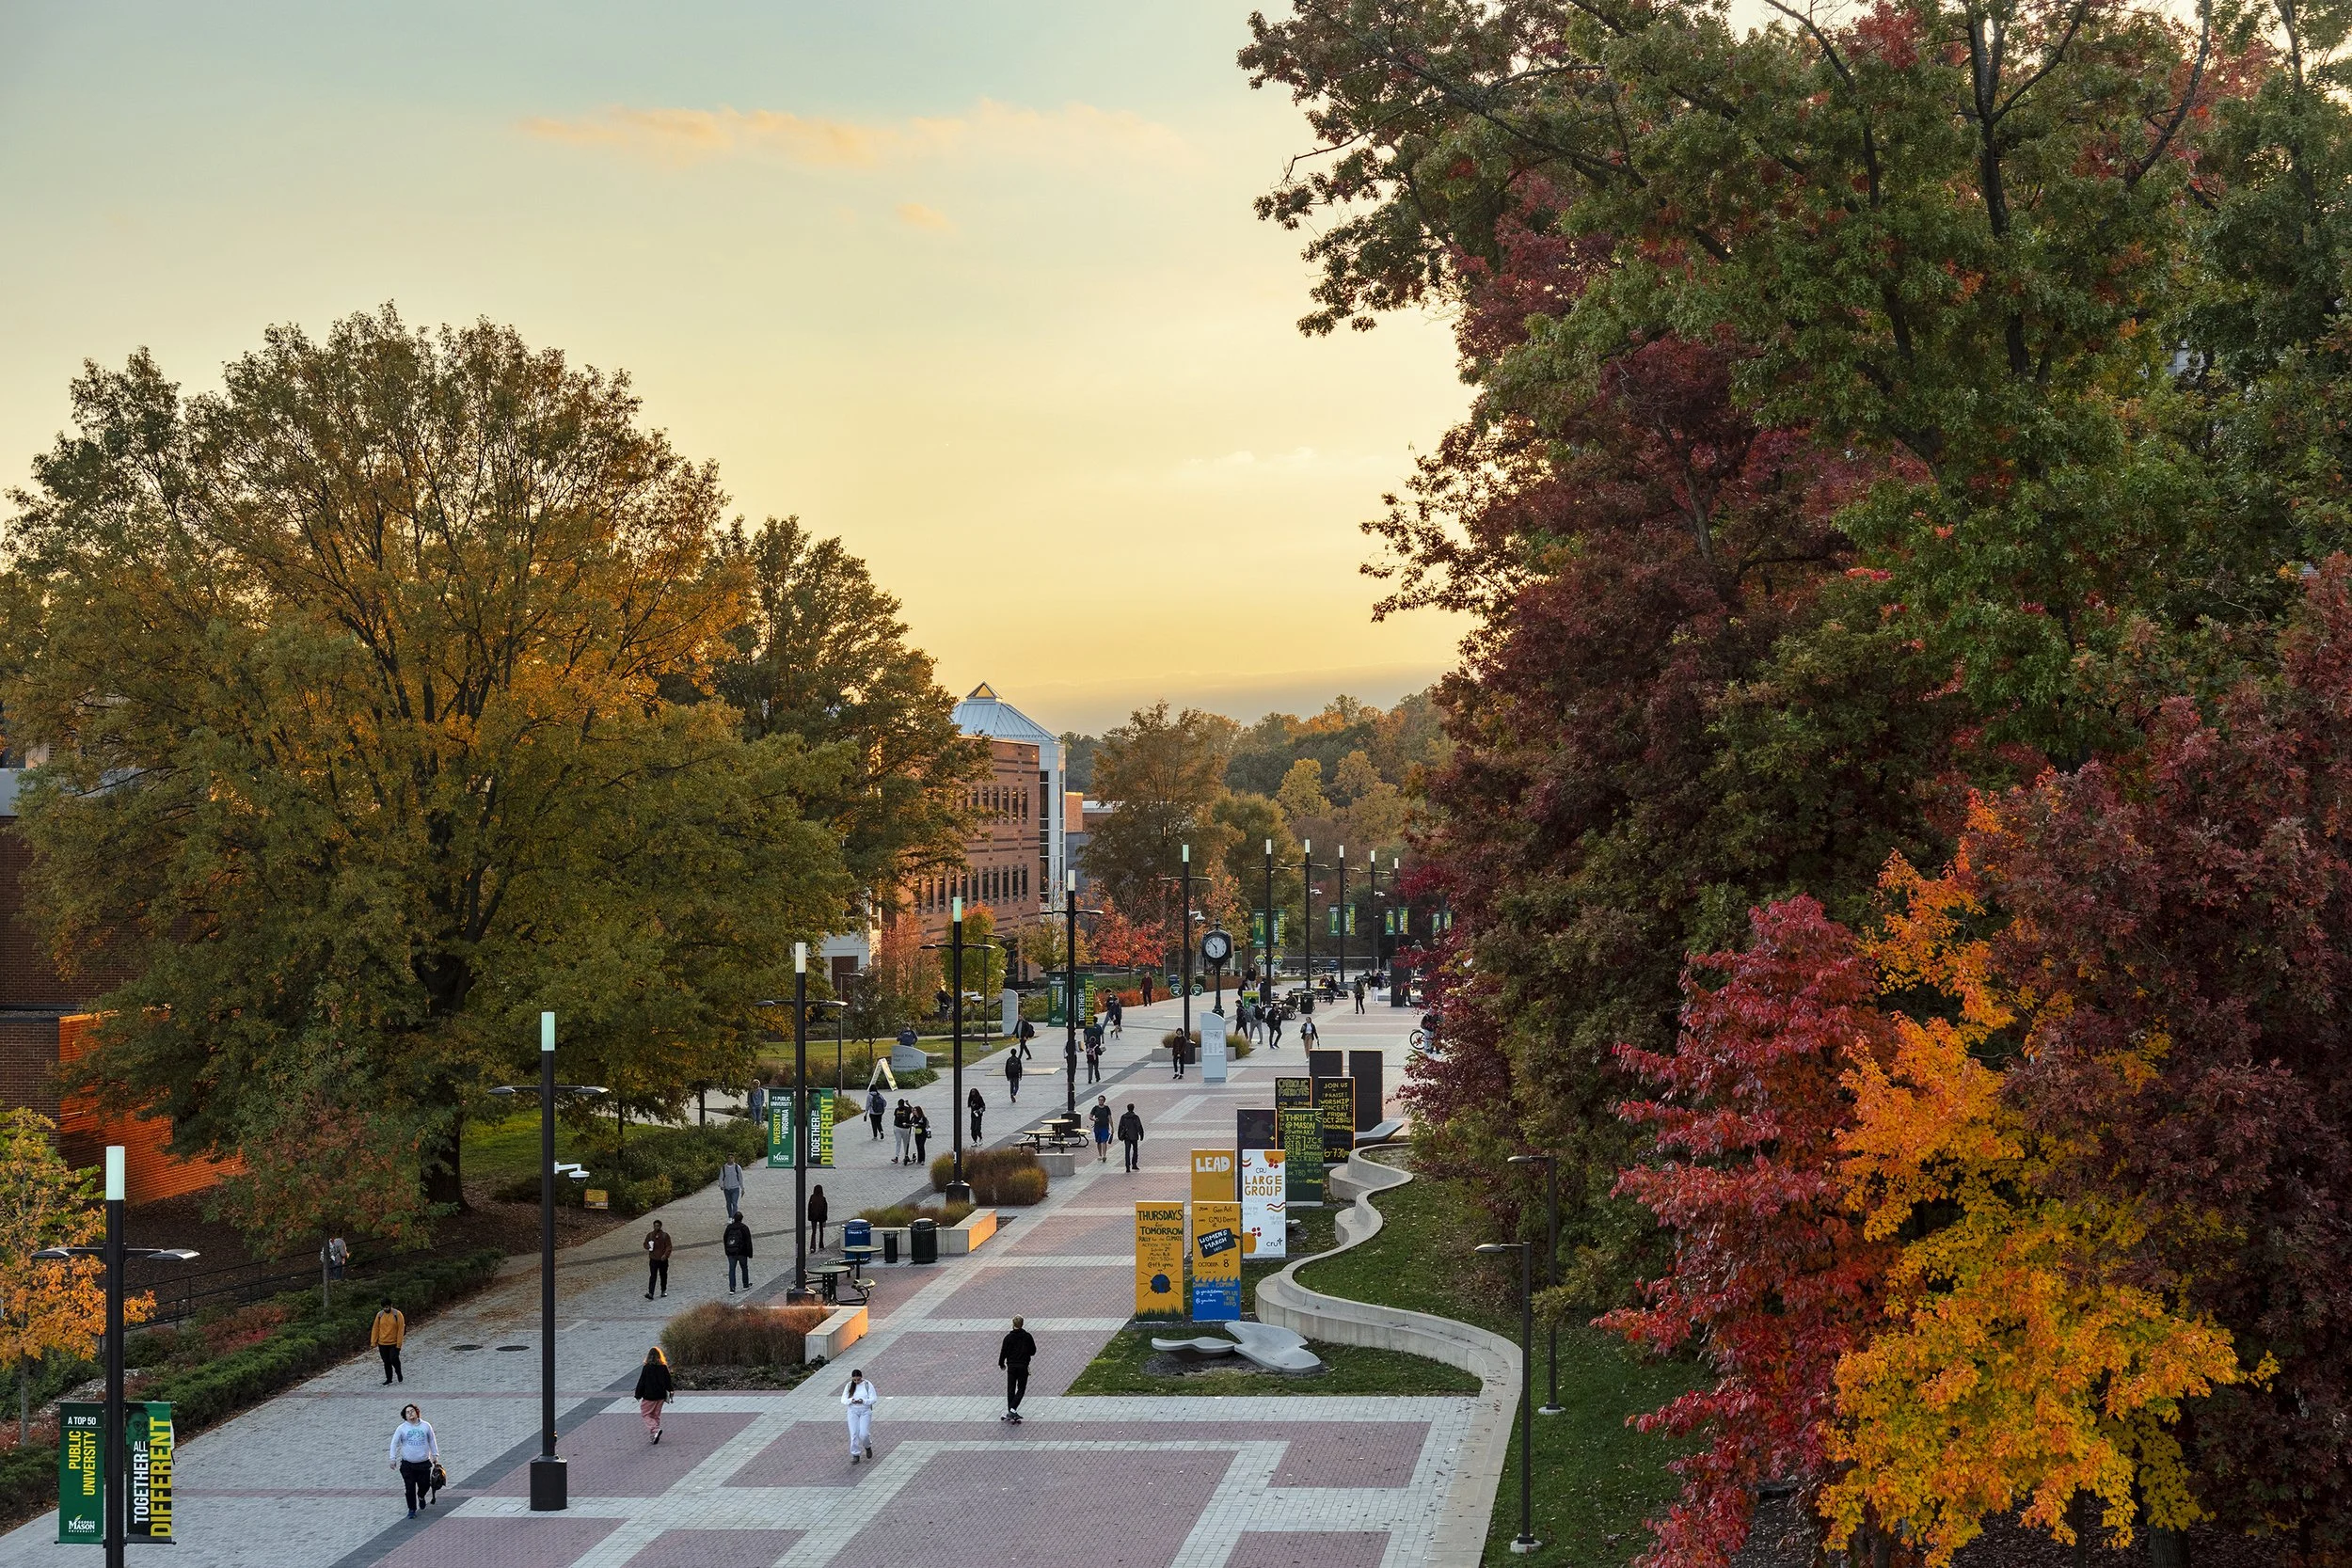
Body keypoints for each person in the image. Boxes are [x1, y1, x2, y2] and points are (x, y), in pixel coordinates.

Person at [388, 1402, 438, 1518]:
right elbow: (394, 1443)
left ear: (417, 1412)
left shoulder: (426, 1426)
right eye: (408, 1412)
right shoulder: (401, 1429)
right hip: (408, 1464)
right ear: (405, 1416)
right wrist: (392, 1458)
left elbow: (432, 1440)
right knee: (409, 1487)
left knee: (425, 1485)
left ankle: (421, 1496)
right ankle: (412, 1509)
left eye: (412, 1411)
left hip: (424, 1463)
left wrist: (435, 1454)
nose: (410, 1413)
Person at [998, 1315, 1037, 1423]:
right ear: (1022, 1324)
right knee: (1021, 1389)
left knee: (1011, 1389)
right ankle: (1013, 1409)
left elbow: (1003, 1352)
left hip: (1011, 1366)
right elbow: (1033, 1351)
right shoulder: (1027, 1337)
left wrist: (1001, 1363)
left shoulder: (1008, 1338)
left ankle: (1011, 1410)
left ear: (1013, 1324)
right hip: (1023, 1366)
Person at [634, 1346, 673, 1444]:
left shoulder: (647, 1368)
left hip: (649, 1396)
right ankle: (655, 1434)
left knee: (646, 1413)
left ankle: (655, 1430)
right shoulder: (663, 1367)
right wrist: (671, 1391)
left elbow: (642, 1381)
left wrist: (638, 1394)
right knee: (656, 1414)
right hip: (661, 1395)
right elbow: (668, 1381)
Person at [842, 1368, 877, 1464]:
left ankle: (867, 1446)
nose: (856, 1381)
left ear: (861, 1377)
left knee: (864, 1433)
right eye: (854, 1380)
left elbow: (874, 1399)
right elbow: (843, 1399)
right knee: (854, 1434)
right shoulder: (849, 1386)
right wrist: (851, 1400)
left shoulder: (867, 1385)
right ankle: (855, 1454)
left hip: (865, 1411)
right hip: (853, 1411)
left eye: (858, 1379)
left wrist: (864, 1401)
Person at [370, 1299, 406, 1385]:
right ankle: (389, 1378)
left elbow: (401, 1329)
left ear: (390, 1305)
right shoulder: (379, 1315)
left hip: (394, 1342)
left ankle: (398, 1372)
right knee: (386, 1361)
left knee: (394, 1359)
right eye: (383, 1307)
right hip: (382, 1343)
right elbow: (375, 1328)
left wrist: (399, 1344)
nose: (385, 1309)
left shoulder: (397, 1314)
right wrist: (373, 1342)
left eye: (387, 1307)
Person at [723, 1211, 755, 1292]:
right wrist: (750, 1253)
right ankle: (745, 1285)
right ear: (742, 1219)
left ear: (734, 1219)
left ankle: (732, 1288)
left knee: (732, 1270)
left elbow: (725, 1239)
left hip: (731, 1252)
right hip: (742, 1252)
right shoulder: (744, 1228)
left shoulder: (729, 1228)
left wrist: (727, 1251)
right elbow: (748, 1242)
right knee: (744, 1268)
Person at [644, 1218, 672, 1299]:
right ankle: (651, 1293)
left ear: (660, 1226)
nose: (656, 1227)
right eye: (655, 1226)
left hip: (663, 1259)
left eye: (658, 1226)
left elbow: (669, 1246)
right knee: (653, 1276)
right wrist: (648, 1246)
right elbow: (645, 1244)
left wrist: (665, 1255)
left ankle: (663, 1290)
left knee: (663, 1275)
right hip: (653, 1259)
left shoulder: (665, 1236)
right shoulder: (650, 1235)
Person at [1117, 1102, 1145, 1172]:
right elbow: (1139, 1126)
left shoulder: (1124, 1117)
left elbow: (1120, 1126)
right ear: (1133, 1108)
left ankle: (1127, 1166)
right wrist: (1141, 1135)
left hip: (1127, 1136)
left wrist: (1120, 1136)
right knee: (1135, 1150)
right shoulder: (1135, 1117)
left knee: (1127, 1151)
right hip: (1134, 1136)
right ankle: (1134, 1164)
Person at [719, 1155, 745, 1220]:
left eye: (732, 1158)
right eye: (729, 1158)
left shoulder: (737, 1167)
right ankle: (730, 1216)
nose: (730, 1159)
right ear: (727, 1159)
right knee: (728, 1203)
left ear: (734, 1159)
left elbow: (740, 1178)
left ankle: (734, 1217)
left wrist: (742, 1188)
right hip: (727, 1189)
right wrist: (721, 1185)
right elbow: (721, 1177)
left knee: (734, 1202)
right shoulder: (723, 1168)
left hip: (735, 1188)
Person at [1090, 1095, 1112, 1164]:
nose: (1100, 1101)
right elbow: (1090, 1117)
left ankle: (1104, 1155)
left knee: (1104, 1141)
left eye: (1102, 1100)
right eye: (1099, 1100)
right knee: (1098, 1141)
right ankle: (1099, 1154)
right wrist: (1094, 1119)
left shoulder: (1107, 1108)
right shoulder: (1095, 1108)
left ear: (1104, 1101)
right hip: (1097, 1127)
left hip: (1105, 1127)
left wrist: (1112, 1127)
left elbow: (1110, 1117)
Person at [808, 1185, 830, 1251]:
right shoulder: (823, 1198)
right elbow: (825, 1209)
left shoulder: (812, 1197)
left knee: (813, 1232)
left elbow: (809, 1207)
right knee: (821, 1231)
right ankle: (821, 1245)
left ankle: (812, 1247)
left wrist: (810, 1216)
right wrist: (825, 1219)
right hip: (821, 1217)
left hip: (813, 1217)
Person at [893, 1099, 914, 1164]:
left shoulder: (897, 1109)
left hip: (900, 1128)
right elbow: (913, 1110)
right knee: (904, 1143)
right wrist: (908, 1104)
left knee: (900, 1143)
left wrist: (908, 1104)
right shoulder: (906, 1109)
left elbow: (913, 1110)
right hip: (901, 1128)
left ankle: (900, 1156)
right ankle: (901, 1156)